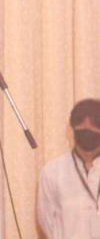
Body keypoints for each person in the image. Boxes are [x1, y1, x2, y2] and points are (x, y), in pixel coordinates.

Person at [37, 98, 100, 239]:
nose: (88, 127)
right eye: (81, 123)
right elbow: (47, 223)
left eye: (95, 123)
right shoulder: (52, 172)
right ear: (72, 129)